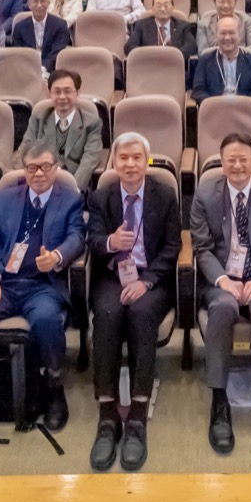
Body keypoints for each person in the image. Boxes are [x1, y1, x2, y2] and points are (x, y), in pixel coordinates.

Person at [0, 140, 86, 431]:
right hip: (5, 284)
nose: (39, 174)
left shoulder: (70, 198)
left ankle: (54, 389)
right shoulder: (4, 199)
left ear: (56, 168)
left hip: (43, 285)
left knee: (47, 320)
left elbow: (76, 236)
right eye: (32, 168)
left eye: (45, 167)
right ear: (23, 170)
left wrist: (57, 257)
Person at [83, 132, 182, 471]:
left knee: (141, 314)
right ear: (114, 162)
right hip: (113, 275)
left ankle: (138, 414)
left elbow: (172, 247)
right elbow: (93, 240)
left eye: (136, 158)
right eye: (123, 158)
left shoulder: (164, 195)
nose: (129, 164)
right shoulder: (101, 197)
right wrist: (111, 242)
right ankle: (108, 414)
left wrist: (147, 281)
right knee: (108, 312)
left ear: (147, 161)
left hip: (151, 277)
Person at [191, 133, 251, 459]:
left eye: (243, 159)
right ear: (221, 163)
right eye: (230, 160)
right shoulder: (205, 194)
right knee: (222, 309)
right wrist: (222, 279)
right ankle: (219, 402)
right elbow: (202, 247)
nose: (236, 166)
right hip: (222, 279)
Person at [21, 70, 105, 188]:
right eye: (57, 92)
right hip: (40, 182)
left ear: (77, 93)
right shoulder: (38, 118)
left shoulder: (92, 123)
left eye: (67, 91)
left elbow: (90, 160)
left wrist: (73, 188)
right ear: (50, 94)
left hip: (73, 183)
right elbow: (25, 150)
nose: (62, 96)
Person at [189, 15, 251, 101]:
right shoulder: (205, 60)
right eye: (223, 33)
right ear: (216, 35)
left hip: (244, 107)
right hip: (215, 107)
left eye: (232, 33)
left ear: (239, 35)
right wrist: (216, 104)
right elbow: (198, 91)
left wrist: (242, 105)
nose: (227, 38)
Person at [7, 0, 71, 73]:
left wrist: (43, 68)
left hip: (52, 70)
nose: (39, 5)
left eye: (43, 1)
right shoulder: (20, 27)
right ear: (29, 4)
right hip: (26, 70)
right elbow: (18, 53)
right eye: (35, 1)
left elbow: (57, 52)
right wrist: (32, 70)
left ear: (48, 3)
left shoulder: (60, 25)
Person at [128, 0, 197, 57]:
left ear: (172, 8)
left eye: (166, 5)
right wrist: (150, 56)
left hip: (174, 63)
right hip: (149, 62)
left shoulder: (183, 26)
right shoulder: (142, 25)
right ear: (152, 9)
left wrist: (173, 56)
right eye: (158, 6)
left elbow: (192, 46)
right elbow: (130, 46)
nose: (162, 9)